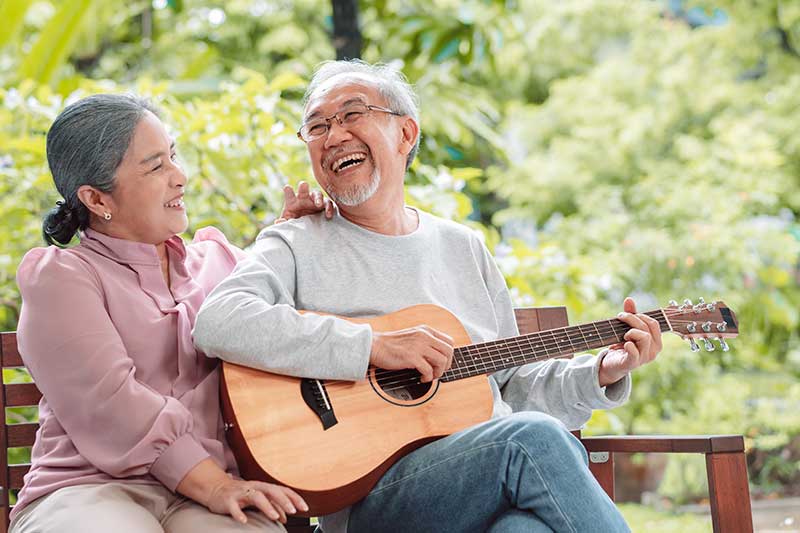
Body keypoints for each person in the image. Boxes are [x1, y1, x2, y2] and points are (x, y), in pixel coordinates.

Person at [193, 60, 663, 533]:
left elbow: (508, 388)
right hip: (371, 499)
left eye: (353, 115)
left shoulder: (463, 247)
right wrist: (374, 346)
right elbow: (220, 320)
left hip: (486, 481)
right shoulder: (296, 241)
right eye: (317, 126)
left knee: (524, 530)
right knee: (531, 441)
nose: (333, 136)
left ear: (405, 133)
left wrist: (602, 372)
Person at [11, 94, 331, 533]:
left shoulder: (220, 260)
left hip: (216, 500)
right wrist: (216, 486)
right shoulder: (62, 278)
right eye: (156, 166)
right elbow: (110, 403)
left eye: (174, 156)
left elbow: (295, 327)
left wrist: (290, 244)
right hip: (89, 490)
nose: (179, 177)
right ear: (96, 197)